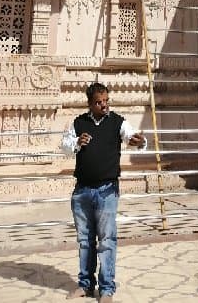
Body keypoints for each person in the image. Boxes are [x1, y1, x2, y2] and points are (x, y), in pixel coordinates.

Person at [61, 82, 146, 302]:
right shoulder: (78, 123)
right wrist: (77, 142)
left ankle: (107, 289)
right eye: (99, 102)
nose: (104, 105)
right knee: (85, 241)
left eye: (106, 101)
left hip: (107, 191)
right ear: (90, 104)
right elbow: (65, 147)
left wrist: (140, 141)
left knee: (107, 240)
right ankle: (85, 285)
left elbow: (131, 136)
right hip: (82, 191)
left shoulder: (118, 121)